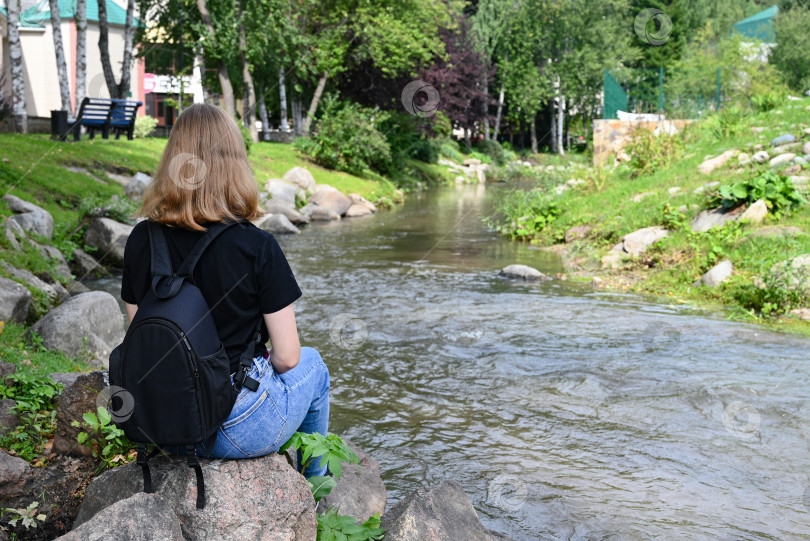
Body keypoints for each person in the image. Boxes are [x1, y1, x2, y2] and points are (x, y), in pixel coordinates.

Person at [120, 103, 329, 477]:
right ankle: (317, 490)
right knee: (314, 365)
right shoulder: (257, 246)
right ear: (234, 163)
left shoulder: (141, 239)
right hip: (233, 428)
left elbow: (139, 339)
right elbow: (287, 358)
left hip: (161, 425)